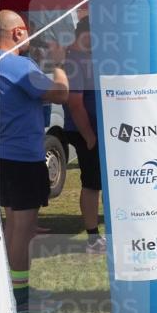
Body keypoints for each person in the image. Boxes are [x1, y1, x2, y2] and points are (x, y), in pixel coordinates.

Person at [0, 10, 69, 313]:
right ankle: (22, 298)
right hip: (23, 158)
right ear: (17, 33)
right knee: (23, 229)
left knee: (14, 224)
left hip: (4, 156)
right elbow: (60, 93)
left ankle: (15, 292)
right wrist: (59, 64)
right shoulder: (17, 65)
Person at [62, 18, 106, 253]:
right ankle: (93, 238)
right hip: (86, 131)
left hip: (99, 130)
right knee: (92, 183)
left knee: (98, 182)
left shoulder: (87, 58)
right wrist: (89, 136)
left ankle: (99, 234)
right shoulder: (74, 61)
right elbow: (75, 104)